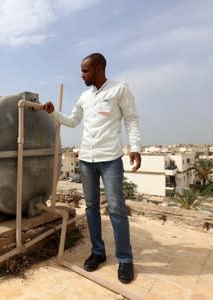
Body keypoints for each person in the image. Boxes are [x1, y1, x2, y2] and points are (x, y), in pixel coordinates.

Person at [42, 53, 141, 284]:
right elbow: (73, 120)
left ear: (98, 68)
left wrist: (135, 147)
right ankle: (98, 252)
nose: (82, 75)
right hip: (86, 159)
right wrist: (52, 112)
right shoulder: (85, 97)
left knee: (116, 208)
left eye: (85, 71)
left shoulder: (119, 89)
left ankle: (125, 259)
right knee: (91, 207)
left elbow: (132, 119)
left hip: (111, 159)